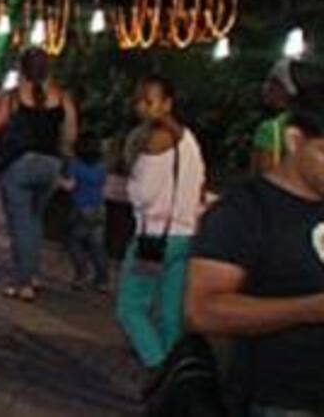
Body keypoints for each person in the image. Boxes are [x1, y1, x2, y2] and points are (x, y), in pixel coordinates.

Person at [185, 102, 324, 416]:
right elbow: (203, 310)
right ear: (294, 140)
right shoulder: (243, 212)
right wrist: (310, 309)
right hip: (281, 399)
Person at [115, 76, 206, 371]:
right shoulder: (189, 139)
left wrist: (131, 180)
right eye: (139, 100)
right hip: (185, 236)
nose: (142, 107)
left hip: (153, 240)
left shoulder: (155, 140)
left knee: (131, 308)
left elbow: (142, 195)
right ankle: (178, 375)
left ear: (167, 103)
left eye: (149, 101)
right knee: (170, 314)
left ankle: (161, 369)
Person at [0, 47, 78, 301]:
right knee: (35, 220)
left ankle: (23, 281)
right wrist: (66, 165)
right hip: (50, 165)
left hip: (19, 164)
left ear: (22, 69)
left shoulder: (12, 98)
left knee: (20, 223)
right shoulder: (62, 97)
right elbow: (69, 136)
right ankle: (32, 272)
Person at [58, 129, 110, 293]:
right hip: (99, 208)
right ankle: (102, 278)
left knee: (74, 242)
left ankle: (81, 273)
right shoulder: (101, 166)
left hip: (81, 208)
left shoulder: (75, 165)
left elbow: (70, 185)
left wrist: (58, 180)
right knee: (97, 245)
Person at [251, 58, 299, 175]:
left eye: (273, 82)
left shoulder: (270, 129)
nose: (266, 87)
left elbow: (261, 175)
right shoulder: (314, 124)